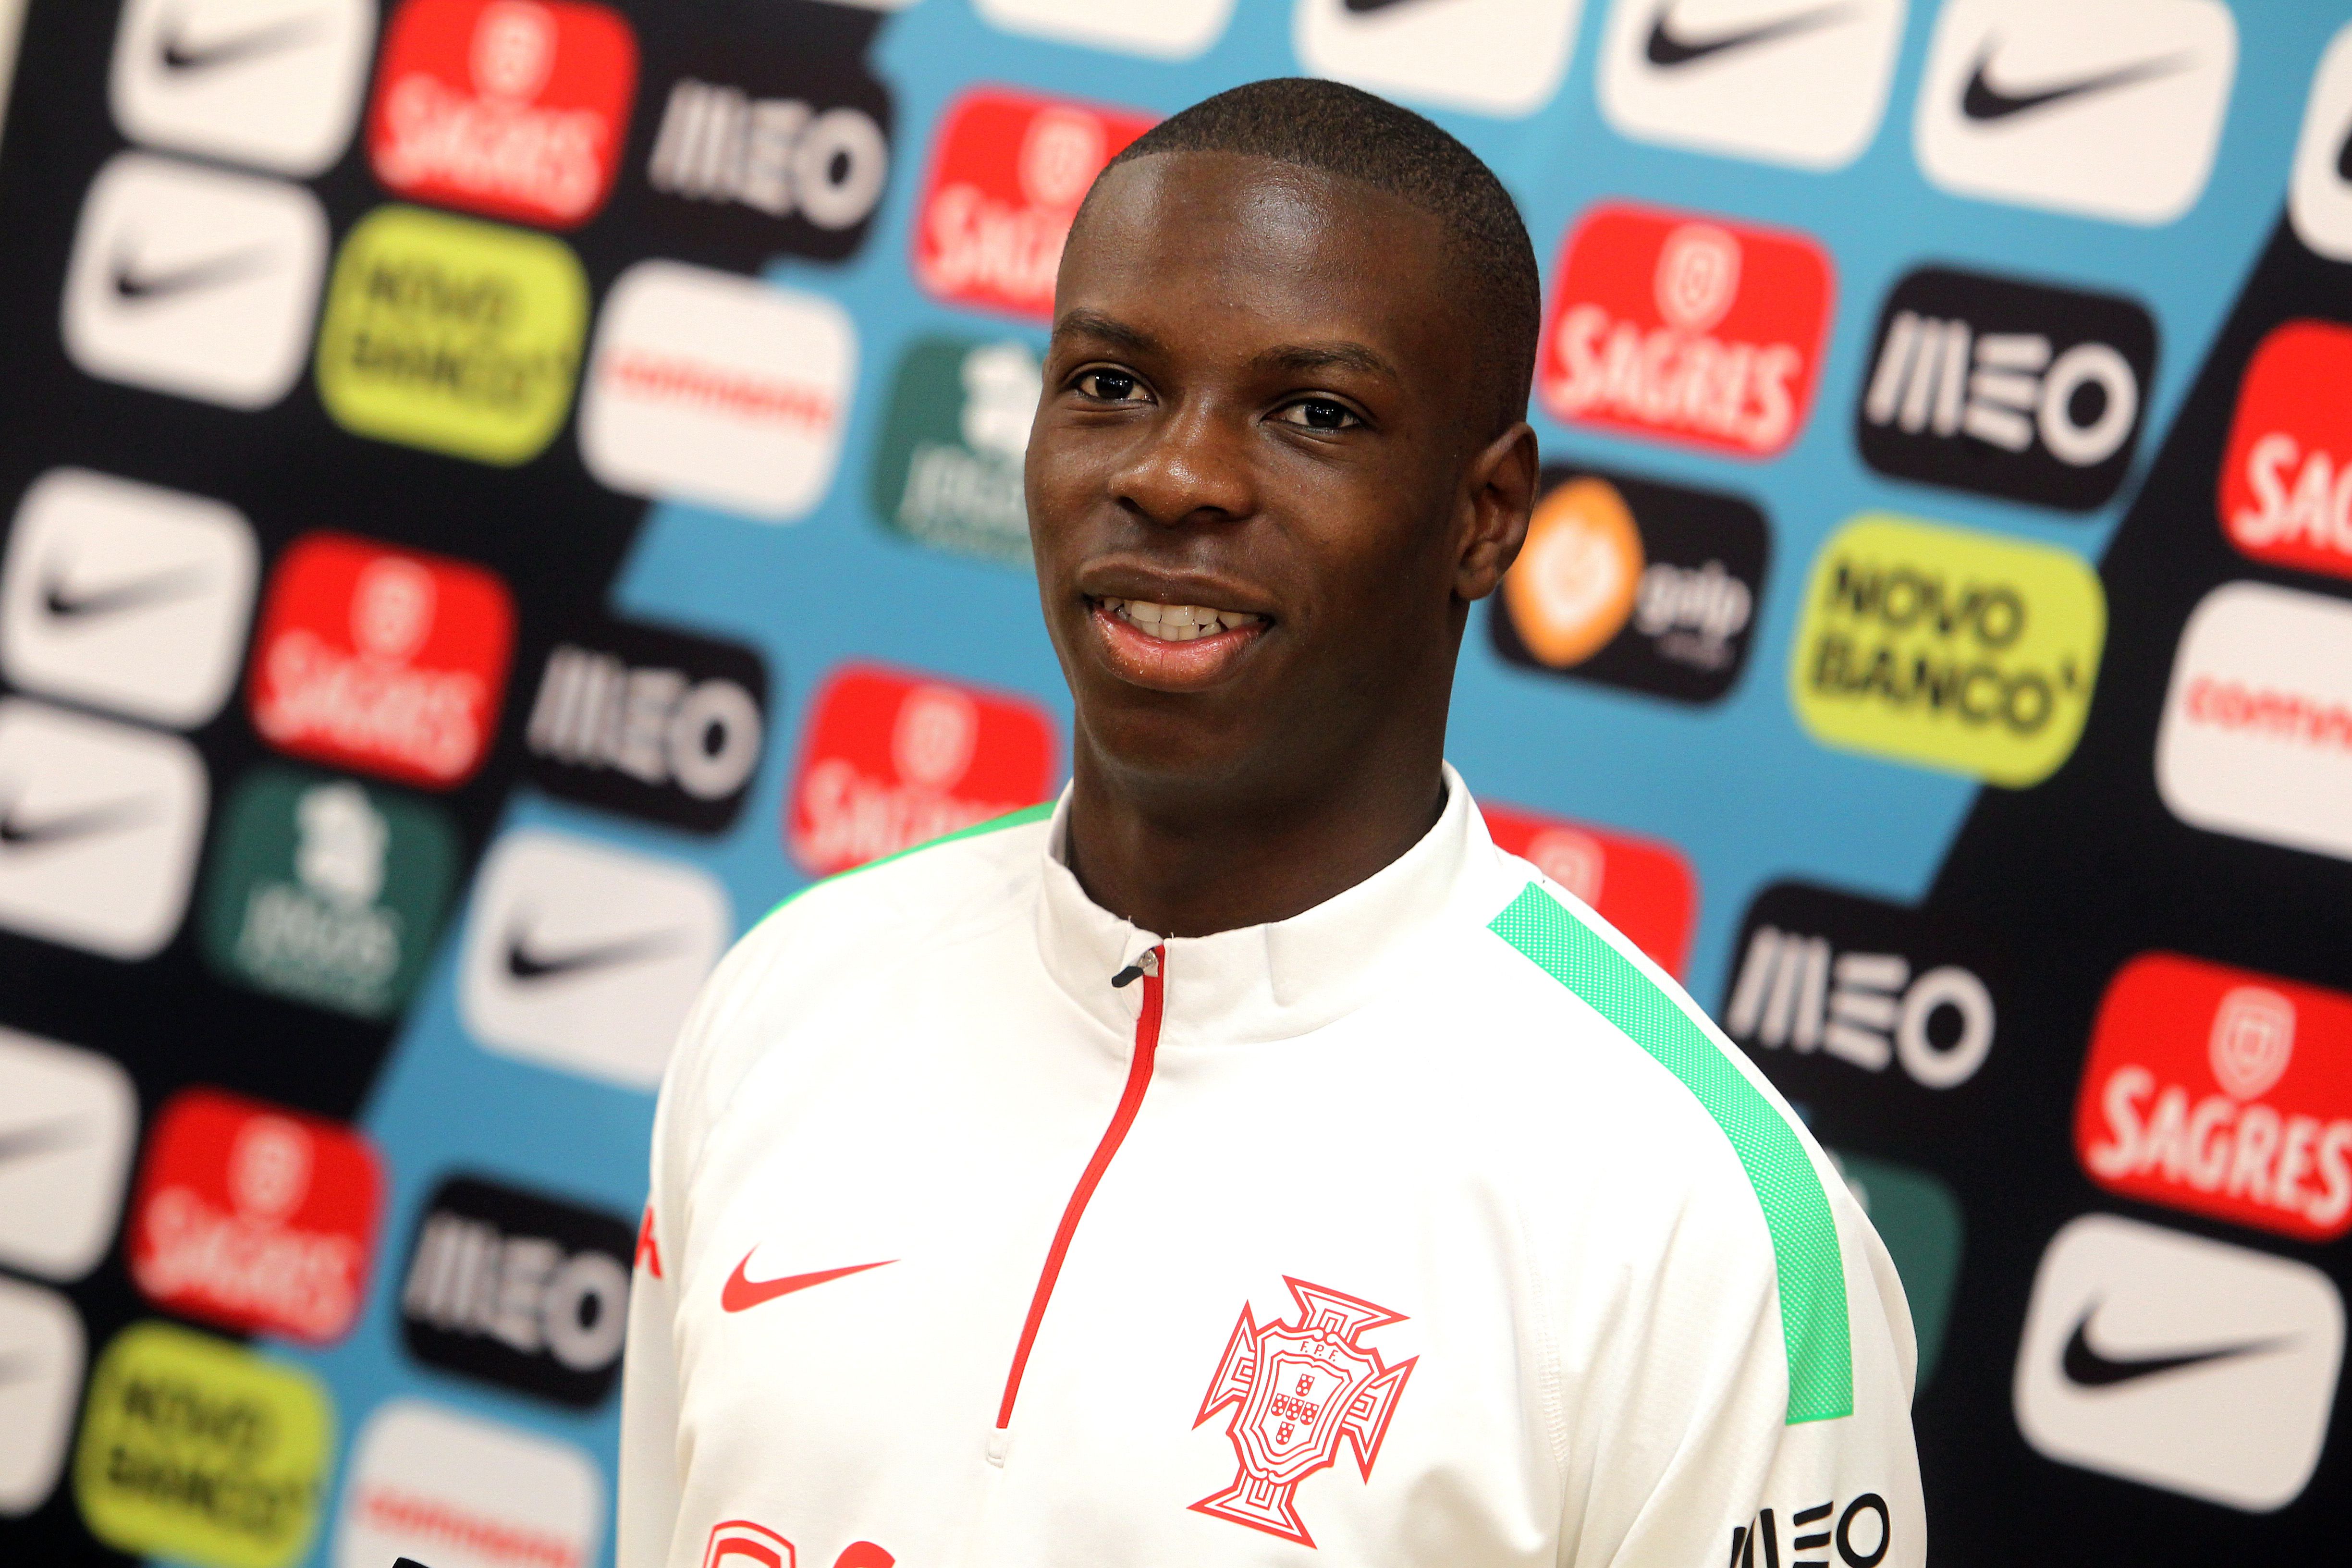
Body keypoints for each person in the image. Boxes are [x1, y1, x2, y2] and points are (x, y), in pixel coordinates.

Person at [618, 77, 1923, 1568]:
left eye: (1316, 413)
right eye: (1111, 384)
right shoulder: (793, 998)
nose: (1174, 476)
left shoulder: (1699, 1220)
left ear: (1486, 516)